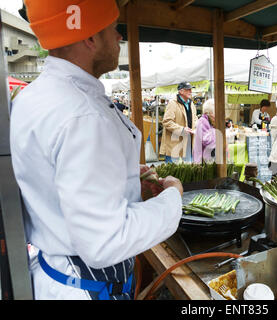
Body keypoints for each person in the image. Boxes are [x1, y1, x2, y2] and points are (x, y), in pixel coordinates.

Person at [9, 0, 183, 300]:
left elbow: (56, 179)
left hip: (56, 273)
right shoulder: (84, 115)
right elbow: (105, 242)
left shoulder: (33, 96)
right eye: (114, 28)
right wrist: (173, 198)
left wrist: (124, 178)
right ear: (89, 37)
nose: (119, 37)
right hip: (86, 287)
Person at [160, 82, 197, 163]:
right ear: (181, 91)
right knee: (173, 172)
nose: (190, 91)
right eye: (188, 89)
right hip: (174, 144)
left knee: (186, 172)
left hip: (188, 144)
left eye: (191, 89)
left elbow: (194, 119)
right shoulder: (173, 103)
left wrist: (197, 127)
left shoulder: (191, 104)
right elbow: (167, 122)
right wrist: (182, 129)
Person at [193, 99, 216, 163]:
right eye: (214, 113)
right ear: (207, 113)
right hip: (202, 159)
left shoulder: (208, 121)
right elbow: (207, 141)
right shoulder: (203, 121)